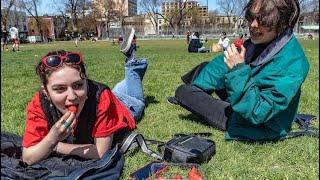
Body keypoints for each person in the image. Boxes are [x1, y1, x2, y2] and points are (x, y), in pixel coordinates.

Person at [167, 0, 309, 141]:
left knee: (183, 92)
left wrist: (237, 69)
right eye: (251, 17)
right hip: (246, 98)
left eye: (263, 20)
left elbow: (259, 113)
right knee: (205, 68)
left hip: (257, 125)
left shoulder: (292, 62)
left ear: (282, 22)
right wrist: (198, 87)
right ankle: (198, 91)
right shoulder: (262, 42)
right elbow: (220, 66)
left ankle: (194, 95)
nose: (253, 25)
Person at [21, 27, 148, 165]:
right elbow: (28, 157)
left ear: (86, 82)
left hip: (128, 106)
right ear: (46, 92)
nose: (72, 96)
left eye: (78, 85)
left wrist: (55, 146)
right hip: (113, 96)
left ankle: (131, 59)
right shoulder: (39, 104)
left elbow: (101, 152)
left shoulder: (101, 97)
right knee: (117, 91)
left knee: (135, 89)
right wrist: (52, 137)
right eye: (60, 89)